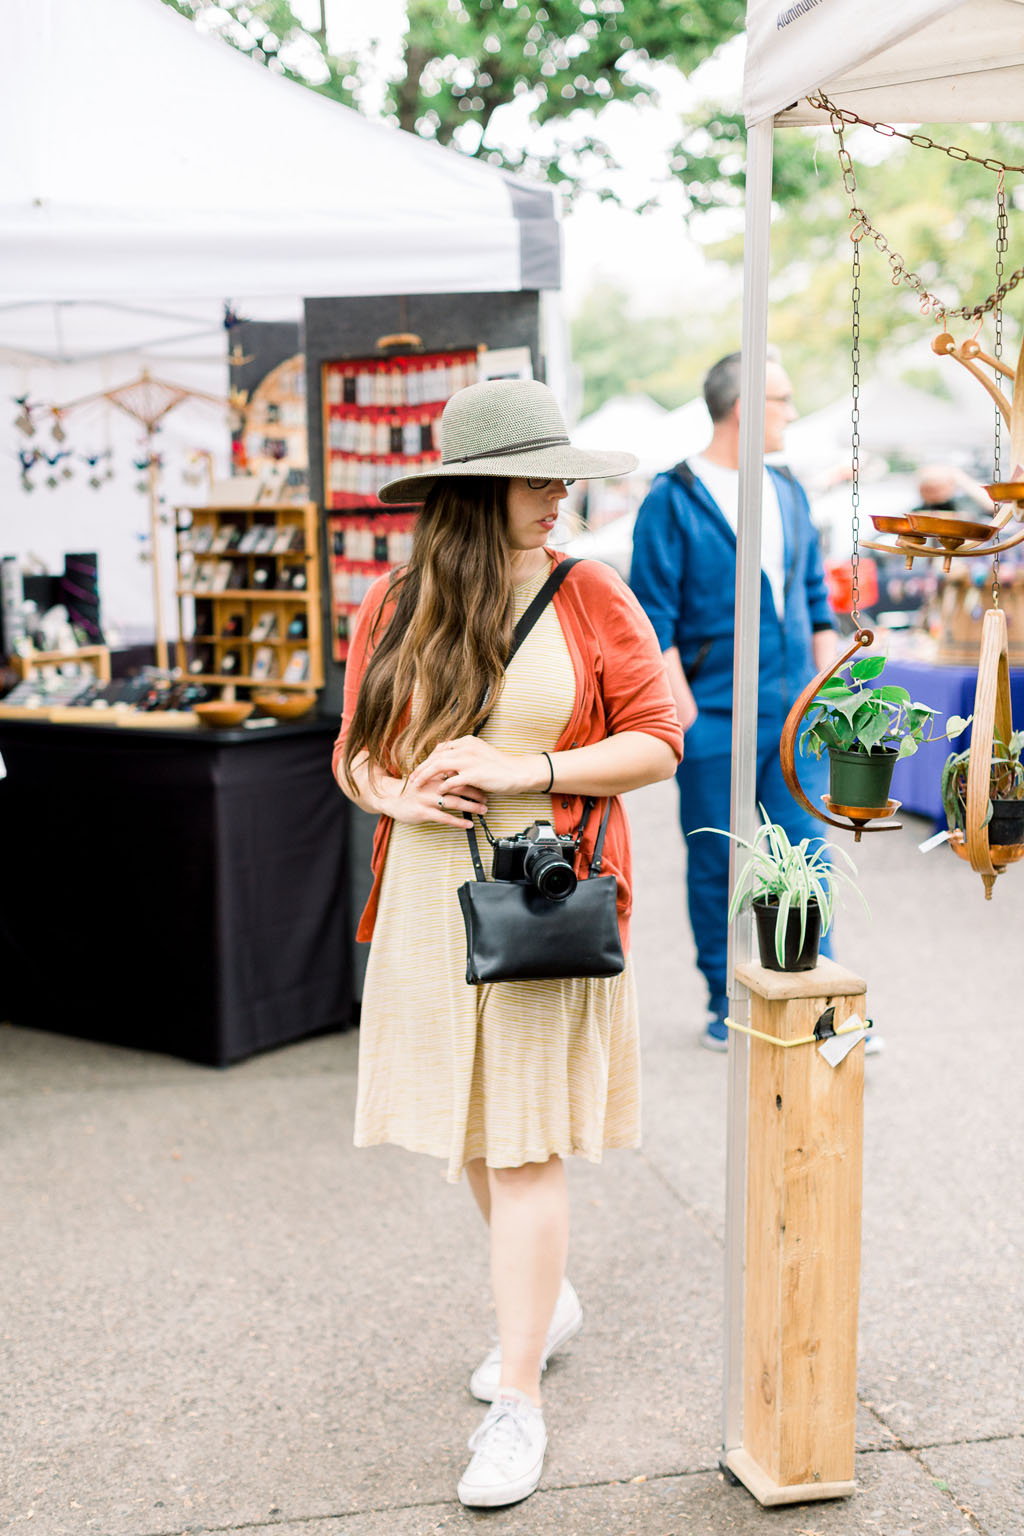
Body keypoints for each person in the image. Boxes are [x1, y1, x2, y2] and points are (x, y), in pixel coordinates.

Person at [332, 379, 684, 1510]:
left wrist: (522, 769)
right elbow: (352, 753)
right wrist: (394, 794)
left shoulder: (590, 593)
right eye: (539, 481)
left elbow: (659, 741)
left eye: (561, 479)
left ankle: (518, 1403)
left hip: (542, 900)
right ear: (477, 492)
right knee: (475, 1137)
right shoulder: (392, 606)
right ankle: (550, 1302)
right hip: (429, 901)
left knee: (524, 1145)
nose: (558, 500)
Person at [630, 350, 837, 1051]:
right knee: (719, 861)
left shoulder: (788, 491)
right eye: (783, 400)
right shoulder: (673, 497)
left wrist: (829, 684)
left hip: (793, 714)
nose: (792, 413)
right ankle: (725, 1001)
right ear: (747, 407)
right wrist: (681, 708)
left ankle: (818, 1001)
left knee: (809, 854)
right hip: (712, 716)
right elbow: (651, 614)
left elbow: (813, 599)